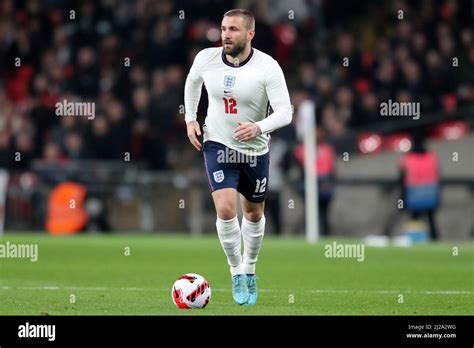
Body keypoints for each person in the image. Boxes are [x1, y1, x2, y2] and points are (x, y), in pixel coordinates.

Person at [184, 9, 292, 305]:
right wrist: (191, 119)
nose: (226, 35)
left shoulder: (267, 67)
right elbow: (193, 82)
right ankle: (235, 272)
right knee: (226, 209)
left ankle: (250, 268)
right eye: (223, 28)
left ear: (250, 34)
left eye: (233, 29)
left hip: (255, 149)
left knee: (254, 213)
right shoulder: (206, 58)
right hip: (217, 143)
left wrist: (258, 126)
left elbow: (285, 111)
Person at [399, 133, 440, 240]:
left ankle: (415, 239)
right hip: (430, 193)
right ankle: (434, 238)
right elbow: (437, 174)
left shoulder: (407, 159)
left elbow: (402, 179)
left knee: (414, 218)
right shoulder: (432, 157)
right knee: (431, 219)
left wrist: (402, 198)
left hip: (414, 194)